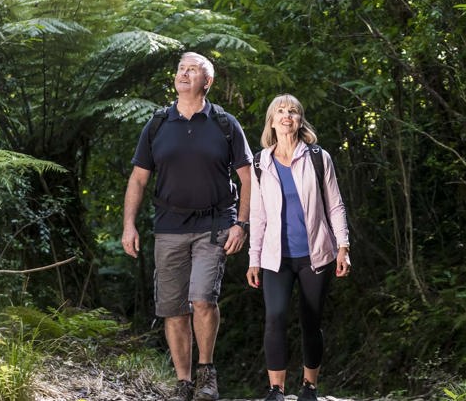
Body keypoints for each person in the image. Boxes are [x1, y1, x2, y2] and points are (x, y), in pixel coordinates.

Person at [122, 52, 253, 401]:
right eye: (181, 69)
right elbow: (138, 180)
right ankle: (183, 382)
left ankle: (206, 374)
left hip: (215, 224)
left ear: (206, 82)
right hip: (168, 226)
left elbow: (247, 177)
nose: (184, 74)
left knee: (202, 299)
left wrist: (241, 224)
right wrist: (129, 226)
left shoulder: (225, 124)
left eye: (193, 70)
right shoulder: (158, 124)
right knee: (173, 307)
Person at [246, 94, 351, 401]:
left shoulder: (319, 157)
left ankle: (309, 387)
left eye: (293, 111)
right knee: (275, 317)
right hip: (276, 258)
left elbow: (335, 206)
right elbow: (258, 215)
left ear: (300, 120)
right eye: (281, 111)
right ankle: (276, 389)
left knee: (311, 321)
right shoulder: (260, 163)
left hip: (315, 255)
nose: (287, 116)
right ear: (272, 120)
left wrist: (343, 246)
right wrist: (254, 259)